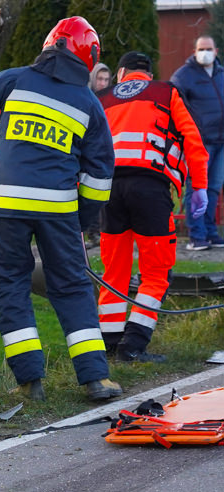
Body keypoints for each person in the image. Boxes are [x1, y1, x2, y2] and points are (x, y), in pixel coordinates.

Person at [0, 16, 121, 402]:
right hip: (58, 208)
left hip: (5, 204)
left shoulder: (16, 80)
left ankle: (30, 383)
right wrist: (84, 222)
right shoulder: (89, 104)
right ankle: (96, 379)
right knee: (73, 286)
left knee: (10, 283)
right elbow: (100, 174)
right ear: (88, 58)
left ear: (49, 45)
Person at [97, 51, 208, 364]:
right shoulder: (166, 92)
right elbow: (193, 141)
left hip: (109, 191)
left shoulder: (102, 97)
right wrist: (198, 187)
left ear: (121, 73)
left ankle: (109, 343)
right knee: (156, 272)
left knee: (114, 271)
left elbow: (86, 147)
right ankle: (133, 346)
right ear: (147, 73)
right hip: (151, 189)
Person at [171, 35, 223, 251]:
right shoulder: (184, 76)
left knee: (213, 188)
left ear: (216, 51)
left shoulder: (221, 74)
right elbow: (175, 106)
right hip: (199, 143)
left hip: (221, 141)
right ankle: (196, 235)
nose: (205, 52)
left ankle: (210, 232)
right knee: (197, 188)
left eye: (208, 48)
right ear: (194, 51)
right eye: (201, 48)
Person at [84, 62, 113, 247]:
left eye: (106, 79)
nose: (103, 83)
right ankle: (92, 232)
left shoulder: (111, 99)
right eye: (99, 78)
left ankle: (99, 232)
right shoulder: (86, 98)